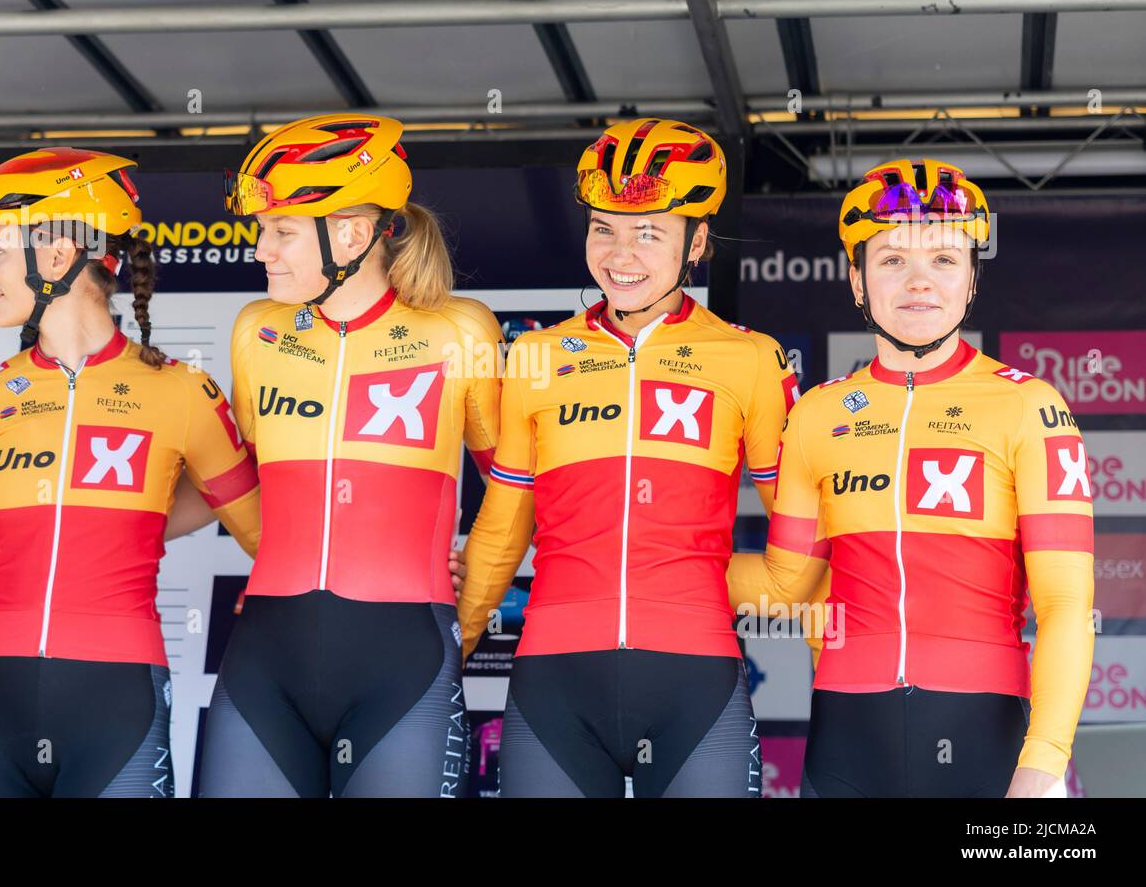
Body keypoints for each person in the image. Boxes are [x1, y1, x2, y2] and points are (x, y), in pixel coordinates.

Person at [0, 147, 261, 798]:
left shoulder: (183, 392)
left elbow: (272, 539)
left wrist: (419, 565)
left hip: (118, 711)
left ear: (55, 255)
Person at [727, 158, 1095, 798]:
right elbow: (786, 584)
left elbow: (1067, 607)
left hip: (988, 733)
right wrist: (631, 554)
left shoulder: (1031, 407)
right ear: (857, 280)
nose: (919, 282)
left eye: (944, 260)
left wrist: (1044, 762)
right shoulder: (815, 415)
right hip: (846, 734)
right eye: (893, 259)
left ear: (972, 279)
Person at [455, 118, 800, 797]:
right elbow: (501, 529)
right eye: (604, 227)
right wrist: (451, 646)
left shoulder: (751, 358)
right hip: (554, 680)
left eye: (650, 232)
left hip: (695, 679)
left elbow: (806, 541)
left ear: (697, 241)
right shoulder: (535, 357)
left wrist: (692, 578)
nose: (621, 253)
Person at [198, 113, 503, 797]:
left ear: (354, 233)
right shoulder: (258, 330)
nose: (261, 250)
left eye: (280, 231)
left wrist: (473, 605)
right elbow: (244, 481)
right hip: (265, 656)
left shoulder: (459, 331)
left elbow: (516, 486)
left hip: (405, 653)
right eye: (261, 230)